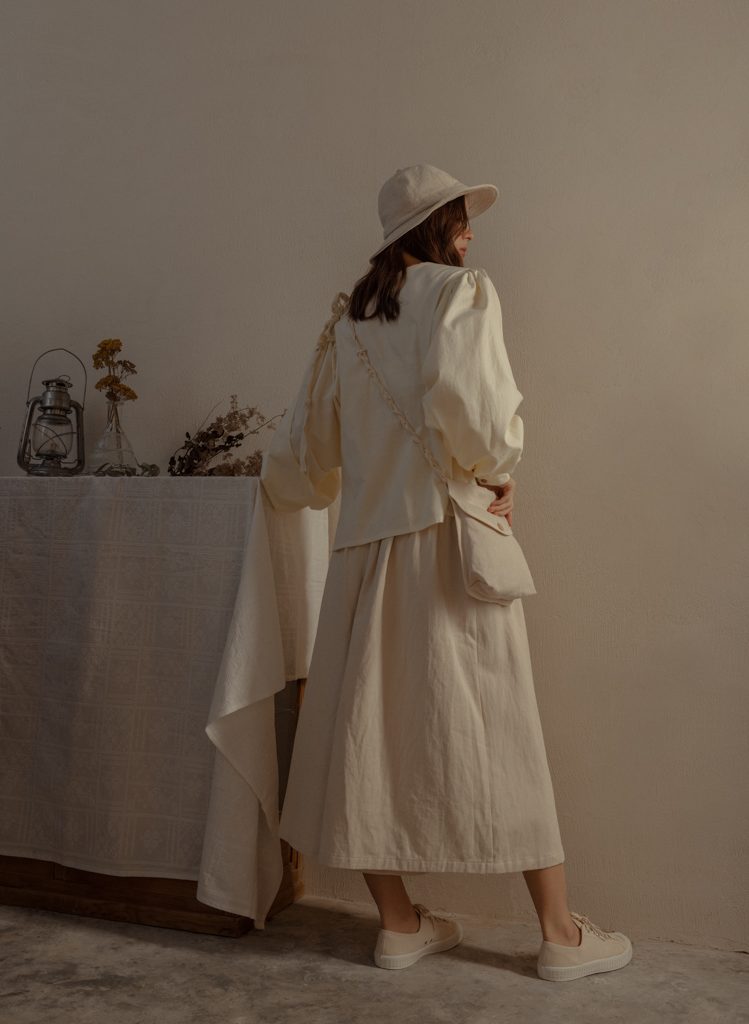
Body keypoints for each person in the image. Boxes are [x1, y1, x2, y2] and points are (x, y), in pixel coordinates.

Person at [260, 163, 632, 981]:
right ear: (433, 227)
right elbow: (475, 411)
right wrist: (498, 471)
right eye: (461, 219)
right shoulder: (460, 294)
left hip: (364, 553)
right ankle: (559, 936)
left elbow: (308, 449)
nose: (469, 234)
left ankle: (398, 924)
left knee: (363, 738)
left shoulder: (347, 322)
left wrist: (291, 490)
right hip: (447, 544)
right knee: (501, 730)